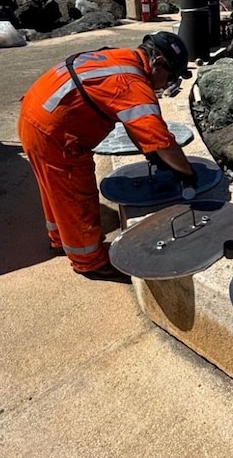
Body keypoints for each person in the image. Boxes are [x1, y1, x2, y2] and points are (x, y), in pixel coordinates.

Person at [17, 31, 196, 281]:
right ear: (156, 62)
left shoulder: (120, 57)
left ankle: (59, 240)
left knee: (55, 191)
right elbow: (162, 140)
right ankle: (89, 261)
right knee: (77, 196)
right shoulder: (133, 84)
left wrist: (150, 152)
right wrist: (186, 173)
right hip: (55, 134)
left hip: (35, 114)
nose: (166, 84)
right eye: (169, 77)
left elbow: (136, 124)